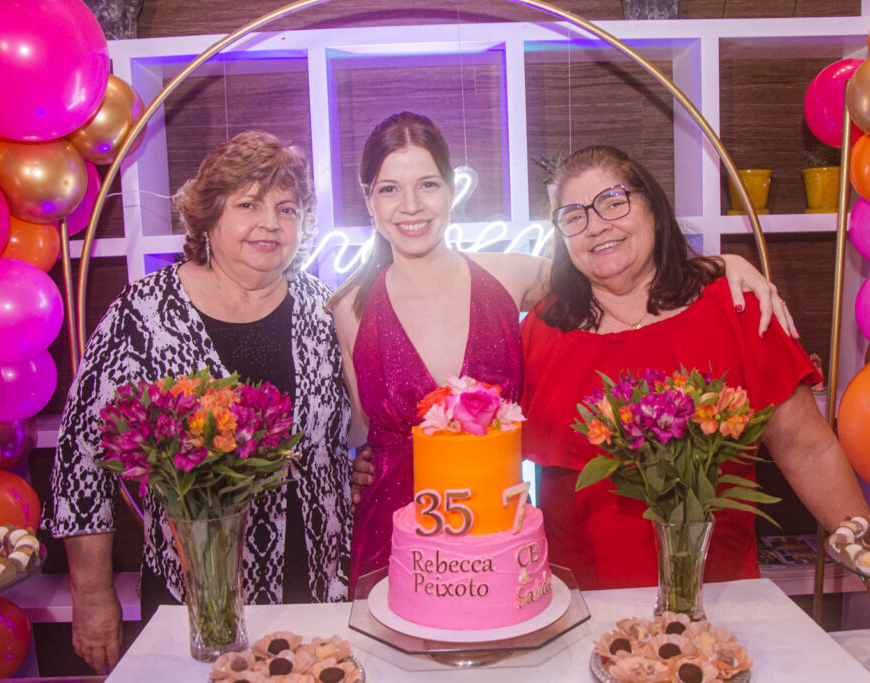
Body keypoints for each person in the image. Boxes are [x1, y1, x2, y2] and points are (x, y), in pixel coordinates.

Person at [335, 112, 794, 594]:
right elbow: (356, 430)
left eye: (427, 184)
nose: (410, 205)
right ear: (369, 200)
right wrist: (351, 469)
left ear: (453, 191)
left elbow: (616, 267)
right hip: (394, 533)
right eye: (389, 189)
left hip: (499, 526)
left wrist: (724, 263)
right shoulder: (349, 308)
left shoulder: (509, 277)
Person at [521, 143, 870, 642]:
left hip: (721, 602)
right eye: (573, 215)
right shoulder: (542, 330)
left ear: (652, 206)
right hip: (581, 609)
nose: (597, 225)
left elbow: (810, 449)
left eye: (614, 201)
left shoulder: (735, 308)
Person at [45, 131, 353, 673]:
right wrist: (91, 596)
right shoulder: (143, 314)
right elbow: (81, 464)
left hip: (320, 586)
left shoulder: (324, 307)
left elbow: (344, 431)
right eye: (248, 204)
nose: (271, 223)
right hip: (197, 601)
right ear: (208, 215)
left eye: (287, 208)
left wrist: (359, 463)